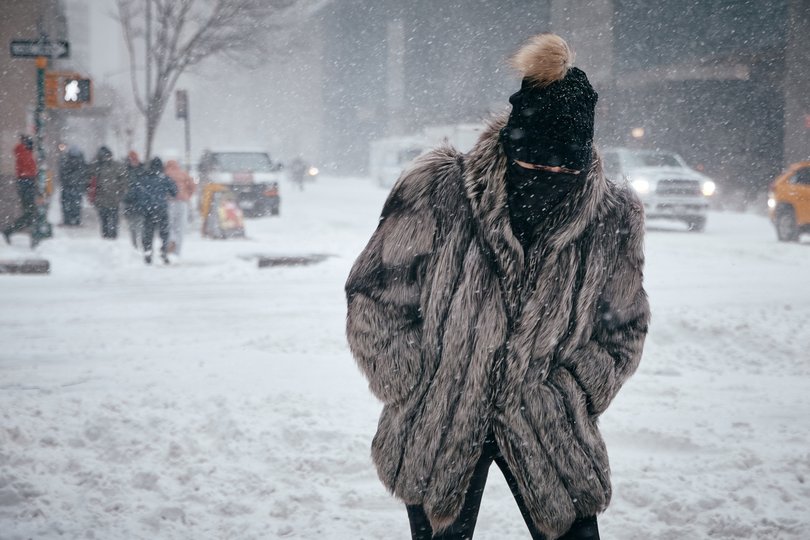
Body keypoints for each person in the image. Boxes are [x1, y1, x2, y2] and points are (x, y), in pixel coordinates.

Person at [345, 34, 650, 540]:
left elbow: (625, 327)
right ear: (512, 146)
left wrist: (570, 394)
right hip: (440, 423)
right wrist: (413, 383)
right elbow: (374, 295)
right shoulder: (438, 192)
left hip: (550, 429)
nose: (548, 174)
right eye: (533, 161)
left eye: (563, 166)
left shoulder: (610, 218)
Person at [131, 157, 177, 264]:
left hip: (148, 211)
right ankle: (164, 252)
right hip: (162, 209)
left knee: (148, 233)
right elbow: (174, 191)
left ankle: (148, 253)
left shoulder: (143, 178)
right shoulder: (165, 178)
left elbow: (135, 193)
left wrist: (139, 205)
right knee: (164, 233)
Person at [3, 135, 40, 246]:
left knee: (31, 214)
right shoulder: (24, 152)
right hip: (26, 183)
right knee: (31, 214)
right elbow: (29, 170)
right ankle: (9, 231)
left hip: (27, 183)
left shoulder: (25, 152)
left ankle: (10, 231)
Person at [90, 146, 129, 239]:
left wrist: (120, 191)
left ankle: (110, 236)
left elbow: (123, 181)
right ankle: (108, 236)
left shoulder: (97, 166)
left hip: (109, 198)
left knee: (108, 220)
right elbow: (91, 182)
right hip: (106, 198)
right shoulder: (98, 166)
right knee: (107, 220)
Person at [164, 159, 196, 256]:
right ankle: (177, 251)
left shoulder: (165, 174)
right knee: (180, 227)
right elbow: (193, 186)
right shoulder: (183, 174)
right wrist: (187, 195)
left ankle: (171, 241)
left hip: (169, 202)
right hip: (182, 202)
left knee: (169, 225)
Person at [59, 146, 87, 226]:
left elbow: (62, 173)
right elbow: (83, 174)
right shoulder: (81, 162)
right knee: (76, 204)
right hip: (77, 187)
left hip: (68, 186)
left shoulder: (65, 161)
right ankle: (76, 219)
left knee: (67, 204)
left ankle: (68, 220)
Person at [123, 151, 146, 249]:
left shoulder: (142, 169)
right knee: (133, 226)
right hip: (130, 202)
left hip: (139, 202)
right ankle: (134, 245)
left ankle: (140, 245)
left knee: (140, 226)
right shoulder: (126, 170)